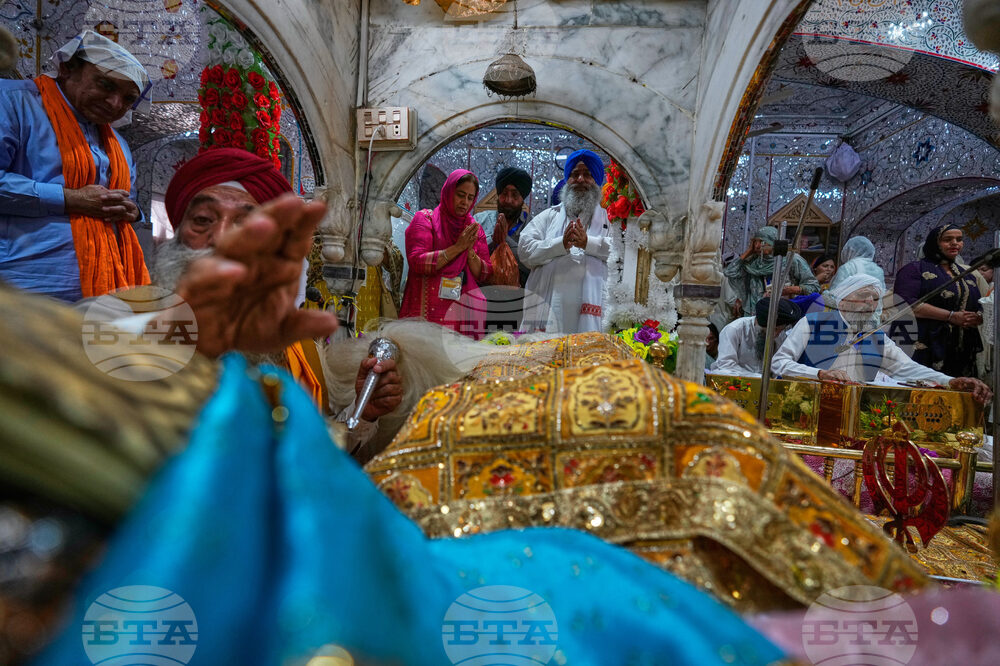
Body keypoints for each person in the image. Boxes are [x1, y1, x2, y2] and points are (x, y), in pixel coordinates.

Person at [0, 30, 151, 302]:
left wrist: (132, 211)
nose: (116, 103)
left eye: (129, 98)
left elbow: (130, 201)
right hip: (22, 294)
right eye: (106, 85)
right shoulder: (12, 102)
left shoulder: (118, 144)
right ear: (67, 68)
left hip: (108, 296)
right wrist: (70, 199)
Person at [772, 274, 992, 403]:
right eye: (861, 296)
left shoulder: (876, 337)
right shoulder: (812, 324)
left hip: (854, 411)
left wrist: (950, 381)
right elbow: (779, 364)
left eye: (875, 298)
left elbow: (907, 368)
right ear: (842, 301)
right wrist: (819, 374)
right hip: (803, 405)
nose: (869, 303)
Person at [519, 149, 611, 334]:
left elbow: (621, 252)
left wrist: (588, 243)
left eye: (587, 174)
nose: (580, 180)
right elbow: (525, 250)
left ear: (597, 181)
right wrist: (559, 245)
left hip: (592, 317)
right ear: (567, 180)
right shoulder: (548, 217)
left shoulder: (609, 220)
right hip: (551, 310)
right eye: (574, 174)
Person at [400, 169, 492, 338]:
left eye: (470, 198)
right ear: (448, 191)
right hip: (425, 312)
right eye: (460, 195)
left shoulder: (473, 230)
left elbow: (484, 273)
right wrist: (457, 248)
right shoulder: (425, 219)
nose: (465, 202)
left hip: (460, 314)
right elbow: (417, 261)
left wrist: (469, 250)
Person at [893, 224, 983, 377]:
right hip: (923, 341)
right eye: (948, 239)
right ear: (934, 243)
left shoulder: (967, 274)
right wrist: (951, 316)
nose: (955, 243)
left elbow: (980, 303)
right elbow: (906, 304)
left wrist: (978, 317)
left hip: (959, 346)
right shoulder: (915, 269)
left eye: (959, 239)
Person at [723, 226, 819, 317]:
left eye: (762, 242)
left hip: (782, 312)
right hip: (754, 313)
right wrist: (748, 251)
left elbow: (813, 287)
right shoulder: (753, 262)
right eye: (755, 242)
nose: (757, 246)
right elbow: (730, 272)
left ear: (773, 242)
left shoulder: (791, 260)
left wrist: (788, 290)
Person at [710, 297, 802, 376]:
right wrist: (757, 378)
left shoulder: (781, 335)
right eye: (774, 329)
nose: (776, 334)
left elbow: (780, 364)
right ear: (759, 322)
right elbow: (726, 366)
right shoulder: (734, 329)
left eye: (780, 330)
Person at [474, 166, 532, 288]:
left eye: (515, 195)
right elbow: (469, 254)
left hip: (517, 298)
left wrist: (505, 241)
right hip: (481, 295)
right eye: (504, 194)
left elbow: (533, 264)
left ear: (523, 198)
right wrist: (492, 242)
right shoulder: (479, 220)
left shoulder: (533, 226)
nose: (508, 200)